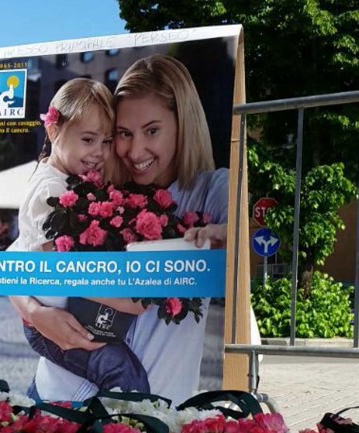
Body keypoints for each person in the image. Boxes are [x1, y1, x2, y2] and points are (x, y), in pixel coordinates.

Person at [18, 54, 229, 403]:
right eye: (123, 134)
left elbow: (248, 239)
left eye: (152, 131)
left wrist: (226, 234)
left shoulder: (212, 189)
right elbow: (19, 260)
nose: (134, 150)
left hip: (153, 409)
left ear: (184, 125)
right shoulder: (97, 187)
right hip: (57, 395)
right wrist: (35, 313)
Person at [8, 78, 151, 394]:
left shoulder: (66, 179)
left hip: (71, 316)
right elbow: (66, 272)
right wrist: (132, 302)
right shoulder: (49, 191)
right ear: (53, 131)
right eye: (88, 139)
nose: (99, 152)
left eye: (106, 141)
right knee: (126, 378)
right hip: (54, 323)